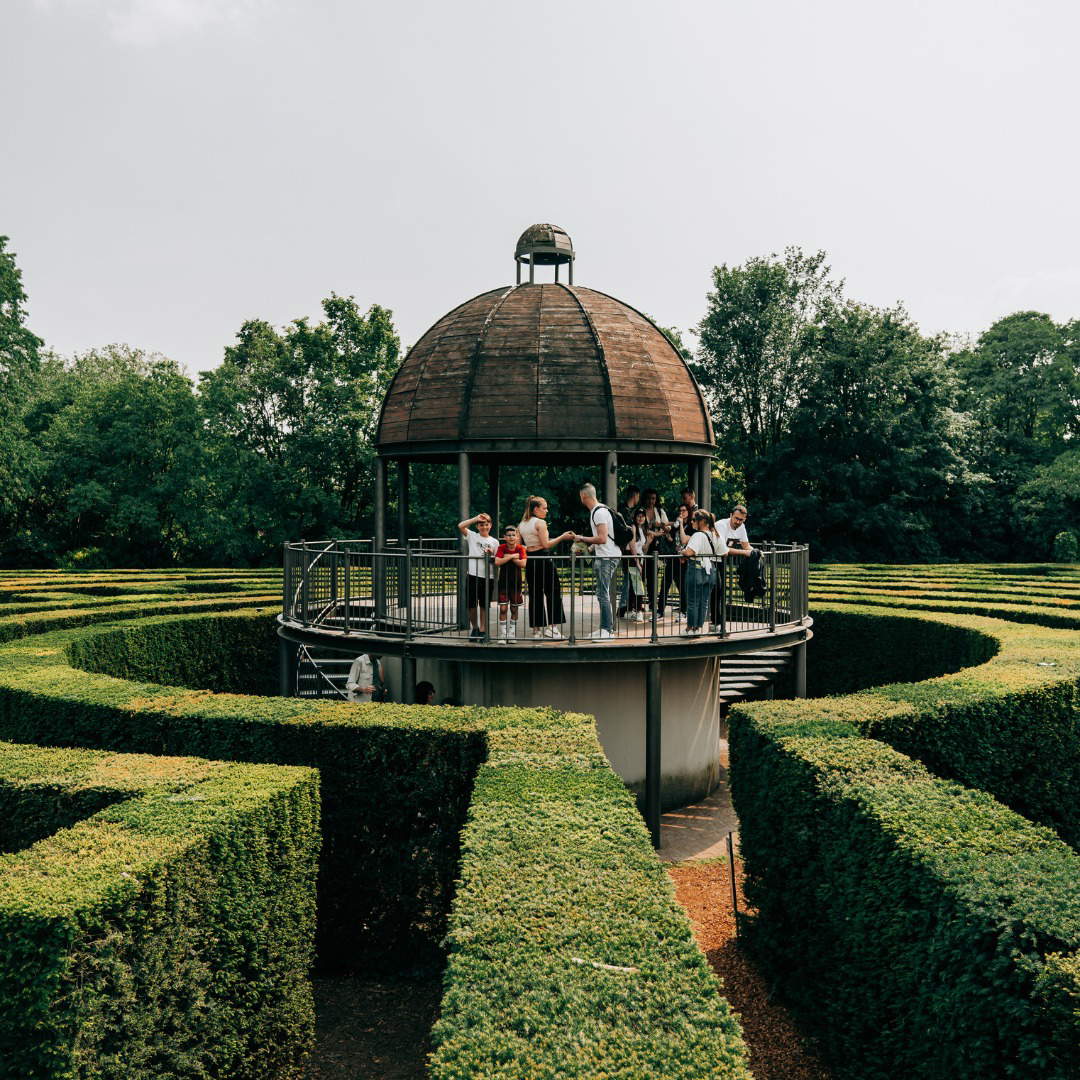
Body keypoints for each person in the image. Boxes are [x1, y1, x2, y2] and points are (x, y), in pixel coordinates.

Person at [518, 496, 573, 640]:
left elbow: (519, 546)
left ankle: (536, 631)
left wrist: (530, 548)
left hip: (531, 560)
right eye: (544, 508)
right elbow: (546, 544)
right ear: (536, 509)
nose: (547, 510)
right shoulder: (540, 523)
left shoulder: (522, 524)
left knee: (535, 594)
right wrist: (562, 537)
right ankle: (553, 628)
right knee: (553, 591)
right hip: (544, 558)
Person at [574, 482, 621, 641]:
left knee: (603, 594)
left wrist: (581, 538)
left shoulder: (599, 512)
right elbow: (604, 538)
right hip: (604, 555)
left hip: (607, 557)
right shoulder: (599, 510)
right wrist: (590, 548)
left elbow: (602, 538)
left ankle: (607, 630)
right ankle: (604, 628)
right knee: (601, 593)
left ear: (583, 496)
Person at [681, 510, 723, 636]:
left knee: (692, 601)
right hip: (711, 570)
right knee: (704, 601)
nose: (692, 522)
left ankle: (690, 628)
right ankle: (698, 628)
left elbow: (690, 552)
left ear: (703, 522)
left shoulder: (698, 535)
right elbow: (724, 552)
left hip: (697, 569)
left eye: (694, 520)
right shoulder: (715, 535)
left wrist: (682, 552)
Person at [457, 512, 499, 640]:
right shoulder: (472, 536)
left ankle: (483, 629)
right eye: (481, 524)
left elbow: (497, 560)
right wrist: (476, 518)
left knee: (484, 604)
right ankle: (474, 627)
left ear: (490, 525)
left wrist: (491, 555)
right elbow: (461, 526)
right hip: (473, 575)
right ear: (477, 526)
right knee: (471, 604)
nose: (484, 527)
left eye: (486, 524)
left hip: (488, 576)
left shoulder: (494, 542)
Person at [494, 524, 527, 643]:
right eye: (509, 535)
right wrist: (513, 556)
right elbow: (497, 561)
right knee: (503, 609)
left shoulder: (520, 548)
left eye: (514, 535)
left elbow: (523, 564)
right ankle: (503, 635)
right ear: (504, 537)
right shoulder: (501, 547)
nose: (511, 537)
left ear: (517, 537)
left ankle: (511, 634)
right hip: (503, 582)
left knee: (514, 609)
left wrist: (507, 557)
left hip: (516, 583)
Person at [641, 488, 671, 618]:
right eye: (649, 498)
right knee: (643, 575)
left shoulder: (660, 511)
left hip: (657, 547)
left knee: (653, 577)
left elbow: (667, 529)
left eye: (653, 498)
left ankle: (653, 605)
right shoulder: (641, 511)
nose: (651, 501)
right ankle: (639, 604)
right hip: (644, 545)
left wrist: (658, 530)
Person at [617, 486, 642, 617]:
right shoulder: (626, 513)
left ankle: (625, 607)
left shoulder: (622, 510)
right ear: (635, 495)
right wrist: (636, 559)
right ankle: (623, 607)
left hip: (624, 551)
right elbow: (630, 538)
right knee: (630, 579)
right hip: (628, 552)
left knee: (629, 579)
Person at [625, 507, 649, 621]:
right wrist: (637, 562)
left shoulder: (642, 529)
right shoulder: (633, 527)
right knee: (638, 584)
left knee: (635, 584)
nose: (640, 518)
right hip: (633, 557)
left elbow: (643, 547)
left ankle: (631, 609)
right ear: (635, 517)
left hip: (639, 556)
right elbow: (632, 544)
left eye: (642, 516)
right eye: (638, 516)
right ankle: (638, 610)